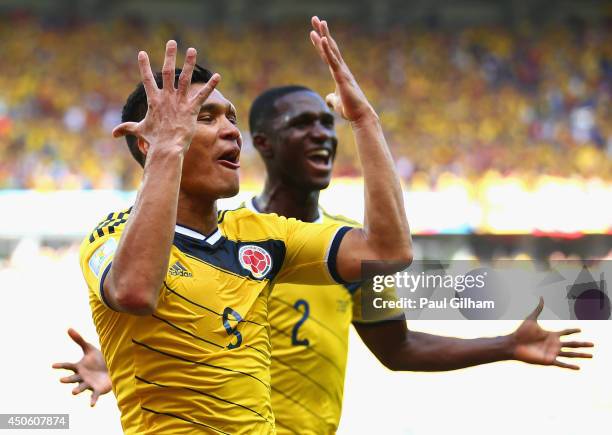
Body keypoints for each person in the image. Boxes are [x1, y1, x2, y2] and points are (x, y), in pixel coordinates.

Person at [56, 23, 594, 434]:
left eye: (327, 122)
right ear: (267, 144)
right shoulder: (124, 239)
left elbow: (398, 320)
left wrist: (365, 122)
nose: (323, 135)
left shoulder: (278, 240)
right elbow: (138, 294)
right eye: (303, 124)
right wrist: (125, 354)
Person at [71, 17, 412, 435]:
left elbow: (387, 251)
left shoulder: (262, 234)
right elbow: (135, 292)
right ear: (149, 141)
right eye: (206, 117)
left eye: (231, 118)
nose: (233, 130)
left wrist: (364, 122)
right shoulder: (109, 236)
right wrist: (169, 148)